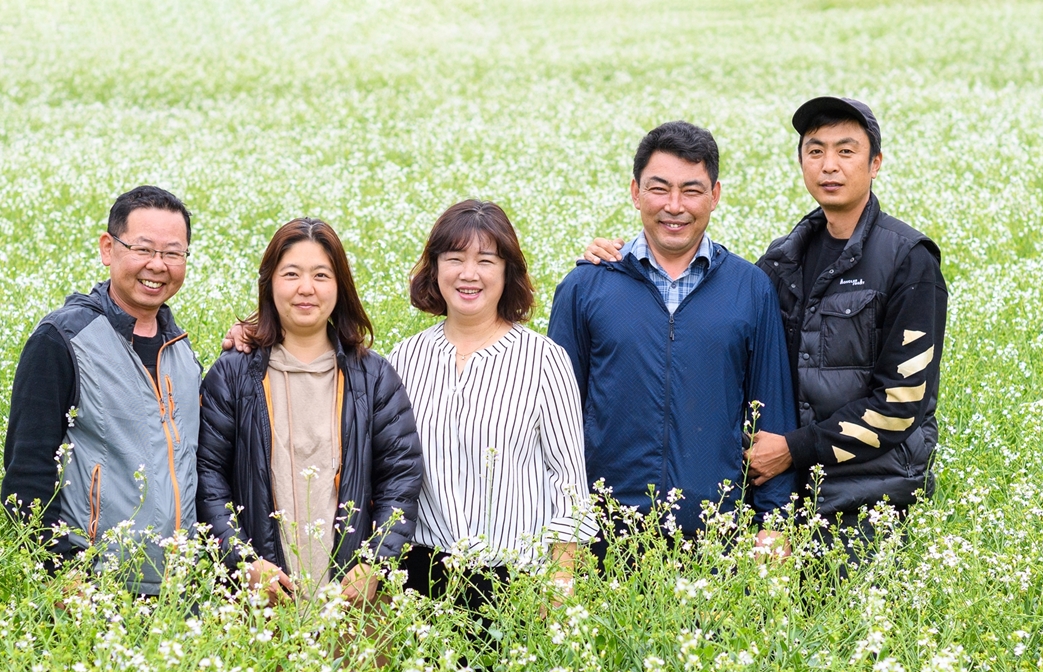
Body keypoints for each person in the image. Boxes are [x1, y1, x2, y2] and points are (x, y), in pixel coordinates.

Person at [552, 121, 796, 560]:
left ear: (715, 196)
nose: (674, 206)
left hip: (715, 536)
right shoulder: (585, 286)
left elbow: (772, 413)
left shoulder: (751, 288)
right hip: (603, 537)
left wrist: (773, 521)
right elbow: (556, 416)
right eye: (659, 189)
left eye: (692, 190)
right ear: (635, 192)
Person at [744, 97, 946, 554]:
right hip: (786, 497)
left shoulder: (908, 260)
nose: (828, 165)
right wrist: (622, 261)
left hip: (873, 501)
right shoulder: (781, 259)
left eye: (845, 151)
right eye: (815, 151)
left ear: (875, 163)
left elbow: (899, 403)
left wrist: (793, 450)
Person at [197, 218, 423, 606]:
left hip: (353, 604)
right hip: (258, 602)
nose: (306, 288)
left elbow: (400, 479)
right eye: (291, 274)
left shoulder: (373, 376)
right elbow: (208, 476)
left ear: (340, 287)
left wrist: (376, 562)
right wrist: (243, 561)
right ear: (269, 283)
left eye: (321, 275)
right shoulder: (233, 373)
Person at [387, 200, 597, 609]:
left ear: (507, 273)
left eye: (486, 260)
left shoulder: (543, 358)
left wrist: (558, 586)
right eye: (454, 259)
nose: (469, 274)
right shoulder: (404, 358)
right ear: (434, 268)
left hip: (517, 583)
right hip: (422, 577)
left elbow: (568, 485)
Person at [1, 186, 201, 596]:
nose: (157, 266)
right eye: (143, 249)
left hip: (178, 597)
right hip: (92, 587)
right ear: (108, 248)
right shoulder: (63, 339)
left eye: (173, 253)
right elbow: (27, 472)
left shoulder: (182, 351)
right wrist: (60, 573)